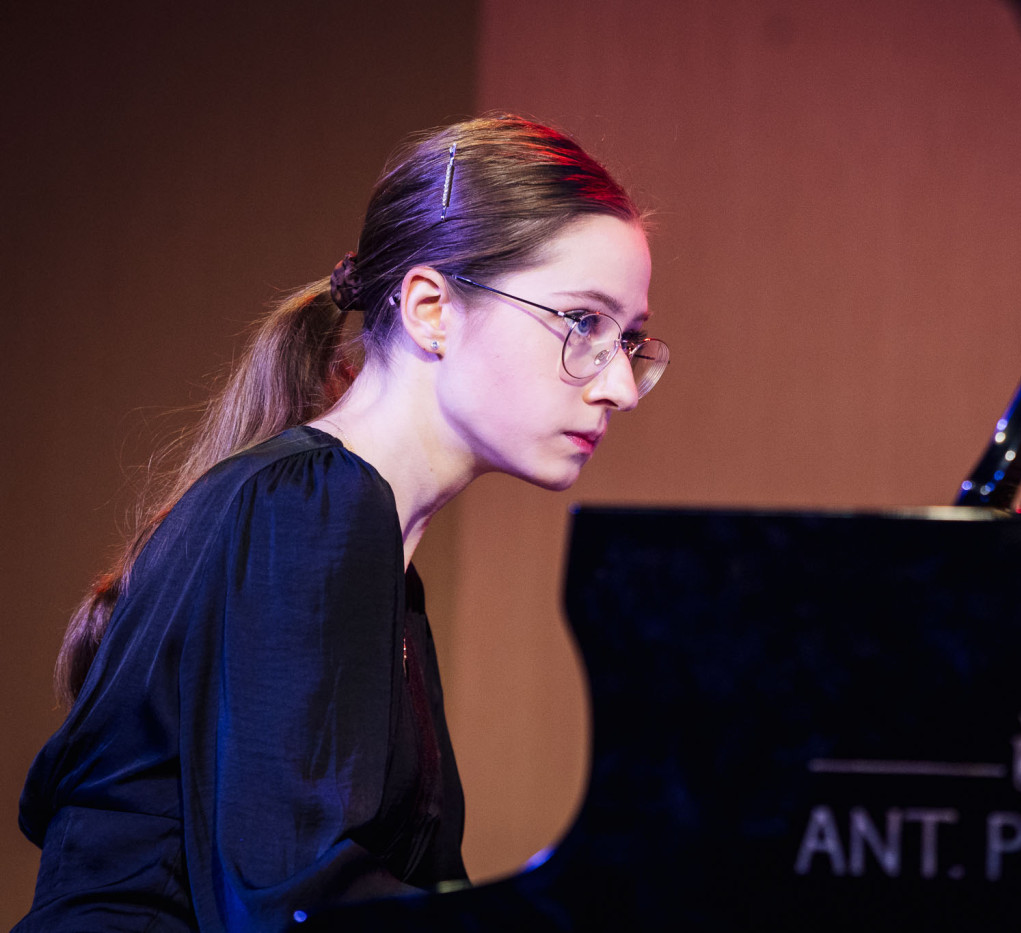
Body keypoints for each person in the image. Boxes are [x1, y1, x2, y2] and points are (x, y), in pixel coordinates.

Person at [14, 115, 668, 933]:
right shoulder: (311, 505)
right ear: (431, 308)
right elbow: (293, 902)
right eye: (582, 322)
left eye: (630, 340)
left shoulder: (371, 545)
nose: (621, 387)